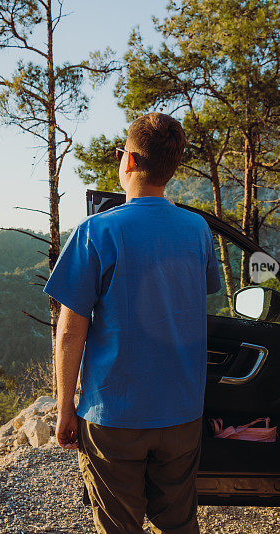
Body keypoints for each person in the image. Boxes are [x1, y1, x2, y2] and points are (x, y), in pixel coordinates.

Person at [43, 112, 221, 534]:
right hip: (182, 411)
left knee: (118, 525)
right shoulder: (198, 230)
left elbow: (70, 331)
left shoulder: (95, 232)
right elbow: (198, 298)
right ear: (170, 167)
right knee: (178, 522)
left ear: (129, 162)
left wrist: (65, 407)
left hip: (114, 415)